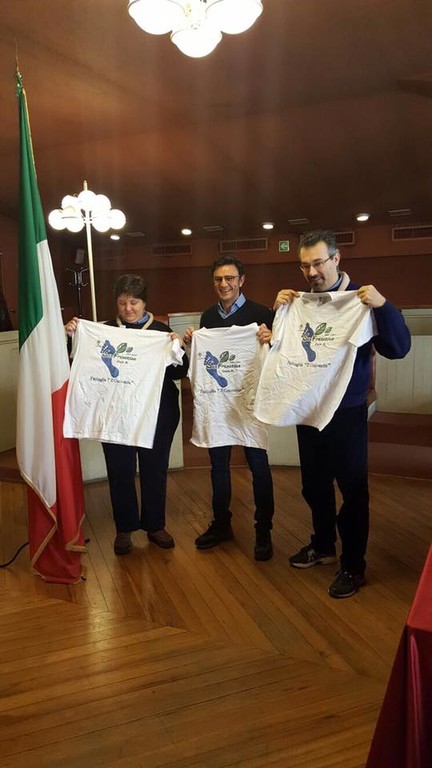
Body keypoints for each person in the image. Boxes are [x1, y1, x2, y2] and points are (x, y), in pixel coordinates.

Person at [273, 230, 411, 598]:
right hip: (308, 409)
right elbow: (282, 353)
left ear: (336, 259)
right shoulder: (300, 303)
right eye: (305, 266)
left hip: (346, 412)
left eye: (318, 263)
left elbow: (399, 349)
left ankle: (353, 565)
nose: (312, 272)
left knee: (352, 490)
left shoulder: (361, 301)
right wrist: (279, 315)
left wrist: (383, 306)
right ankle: (323, 545)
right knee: (313, 484)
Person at [66, 274, 188, 555]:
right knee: (119, 470)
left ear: (144, 303)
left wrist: (178, 348)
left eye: (134, 302)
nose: (128, 308)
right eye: (122, 303)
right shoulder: (104, 332)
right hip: (115, 413)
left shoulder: (160, 332)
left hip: (157, 414)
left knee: (155, 469)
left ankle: (155, 525)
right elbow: (80, 363)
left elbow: (180, 373)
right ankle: (124, 529)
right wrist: (72, 337)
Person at [183, 255, 275, 561]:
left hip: (250, 402)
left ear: (241, 280)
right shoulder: (208, 317)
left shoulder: (262, 313)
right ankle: (221, 523)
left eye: (230, 278)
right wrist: (192, 342)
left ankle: (264, 529)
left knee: (258, 465)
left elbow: (278, 354)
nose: (224, 284)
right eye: (218, 279)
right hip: (218, 402)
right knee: (218, 466)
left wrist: (272, 338)